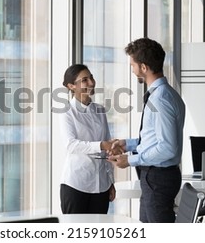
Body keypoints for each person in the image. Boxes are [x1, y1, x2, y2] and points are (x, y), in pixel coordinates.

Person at [107, 38, 186, 223]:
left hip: (158, 178)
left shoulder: (160, 98)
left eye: (133, 65)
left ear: (143, 67)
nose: (132, 70)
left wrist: (131, 160)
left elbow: (168, 147)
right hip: (156, 178)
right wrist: (128, 144)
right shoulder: (167, 94)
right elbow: (156, 137)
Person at [59, 64, 119, 214]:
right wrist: (101, 145)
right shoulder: (67, 112)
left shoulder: (100, 110)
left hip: (101, 186)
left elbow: (108, 149)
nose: (91, 82)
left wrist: (110, 181)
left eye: (91, 77)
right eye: (85, 80)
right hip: (77, 185)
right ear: (71, 86)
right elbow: (71, 145)